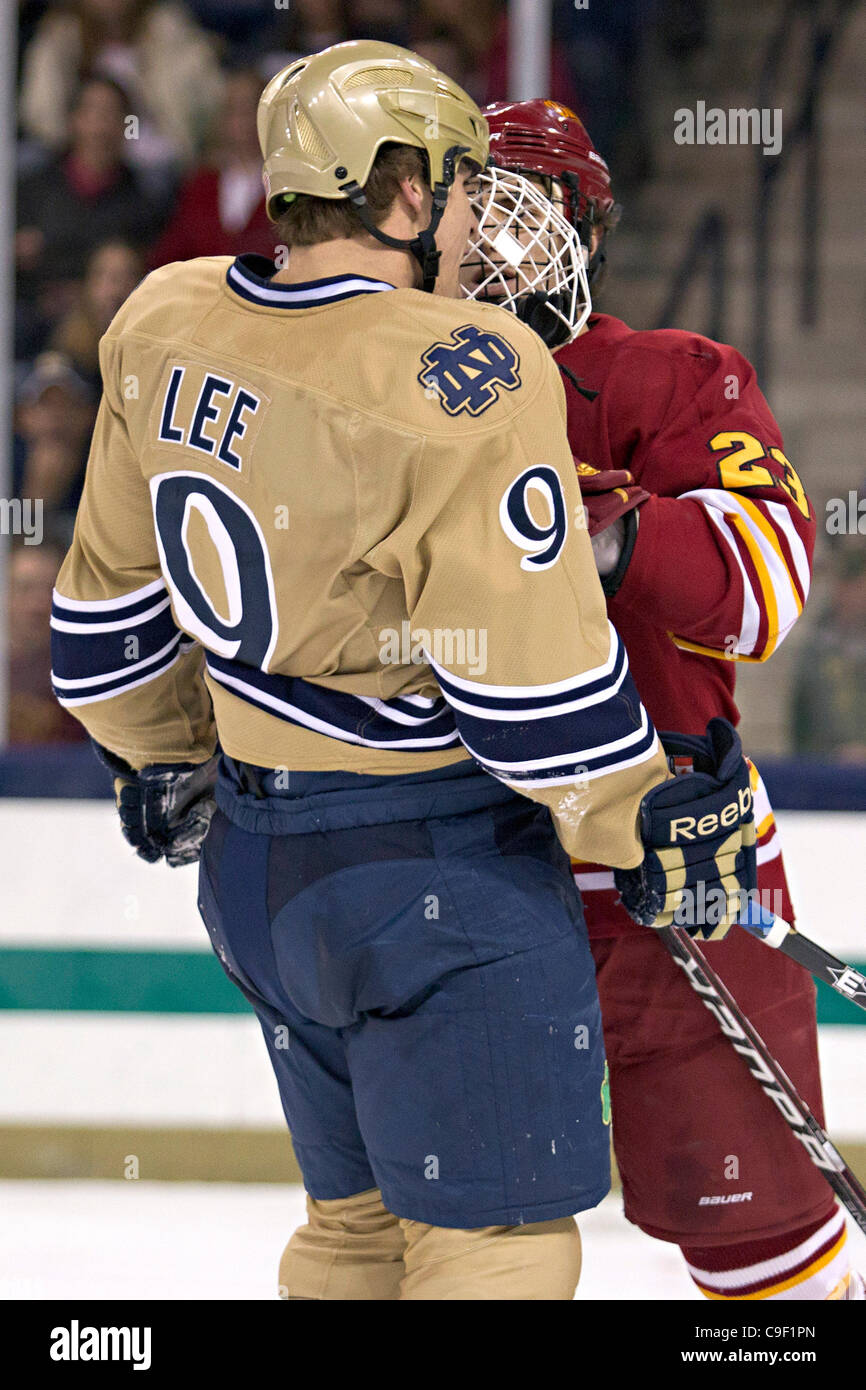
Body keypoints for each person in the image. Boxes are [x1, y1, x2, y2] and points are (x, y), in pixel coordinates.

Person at [50, 43, 756, 1301]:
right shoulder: (468, 374)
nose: (481, 217)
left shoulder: (163, 317)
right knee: (495, 1250)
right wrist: (643, 814)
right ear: (405, 190)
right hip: (434, 881)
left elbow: (100, 632)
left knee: (355, 1230)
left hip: (260, 883)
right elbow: (527, 701)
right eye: (466, 184)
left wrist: (163, 758)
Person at [465, 97, 862, 1300]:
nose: (485, 238)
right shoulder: (374, 392)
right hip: (459, 852)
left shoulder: (670, 377)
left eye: (515, 205)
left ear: (580, 226)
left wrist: (604, 528)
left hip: (671, 843)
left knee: (755, 1238)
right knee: (458, 1227)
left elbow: (763, 589)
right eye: (462, 206)